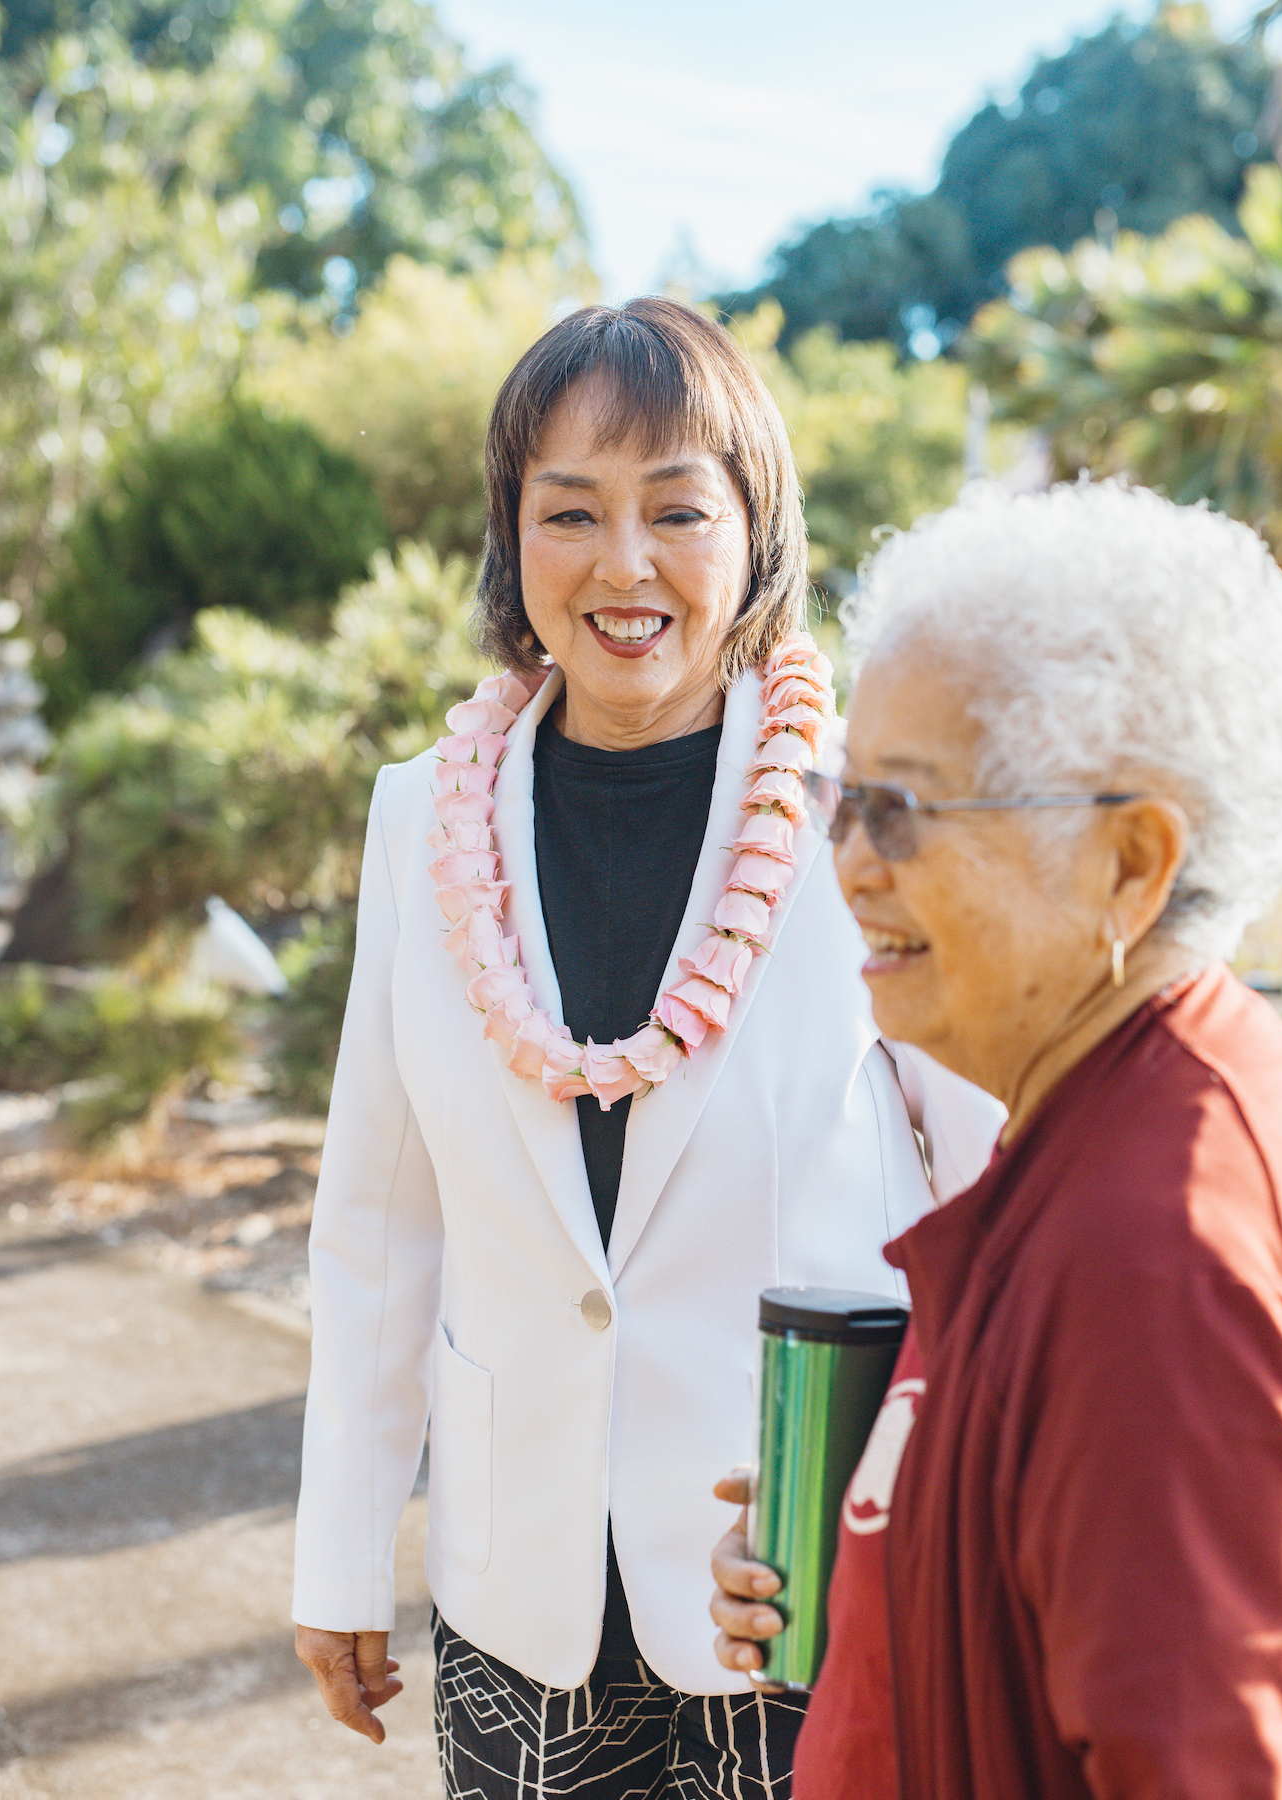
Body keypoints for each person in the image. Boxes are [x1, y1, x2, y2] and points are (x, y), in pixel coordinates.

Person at [291, 297, 1002, 1798]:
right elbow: (380, 1219)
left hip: (802, 1561)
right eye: (571, 513)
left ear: (755, 530)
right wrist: (343, 1548)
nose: (625, 566)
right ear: (513, 535)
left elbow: (986, 1175)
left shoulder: (864, 804)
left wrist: (946, 1508)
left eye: (678, 507)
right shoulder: (424, 814)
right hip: (518, 1584)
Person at [711, 480, 1282, 1796]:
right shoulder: (1096, 1105)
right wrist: (873, 1561)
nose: (851, 865)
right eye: (844, 797)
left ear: (1130, 861)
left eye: (907, 812)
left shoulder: (1162, 1261)